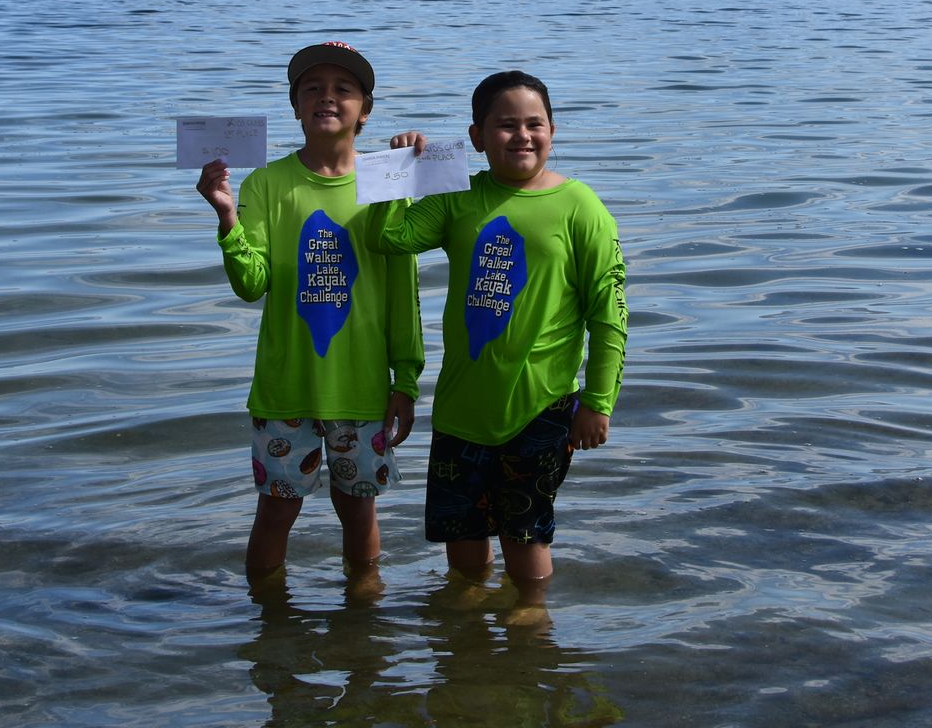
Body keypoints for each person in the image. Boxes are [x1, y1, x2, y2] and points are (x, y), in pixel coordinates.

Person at [381, 70, 627, 588]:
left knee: (526, 537)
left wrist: (599, 401)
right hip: (460, 409)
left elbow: (609, 314)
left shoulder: (580, 207)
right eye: (505, 125)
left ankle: (531, 639)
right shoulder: (457, 198)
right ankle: (467, 646)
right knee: (463, 545)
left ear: (553, 131)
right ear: (476, 137)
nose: (522, 136)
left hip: (540, 407)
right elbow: (392, 238)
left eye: (534, 124)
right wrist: (399, 171)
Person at [195, 41, 422, 582]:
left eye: (343, 89)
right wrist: (226, 218)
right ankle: (268, 633)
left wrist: (406, 380)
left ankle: (363, 627)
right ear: (295, 106)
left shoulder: (387, 181)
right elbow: (251, 285)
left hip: (362, 389)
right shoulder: (267, 184)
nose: (327, 97)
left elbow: (402, 291)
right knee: (276, 510)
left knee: (358, 509)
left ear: (364, 110)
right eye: (312, 88)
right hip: (285, 388)